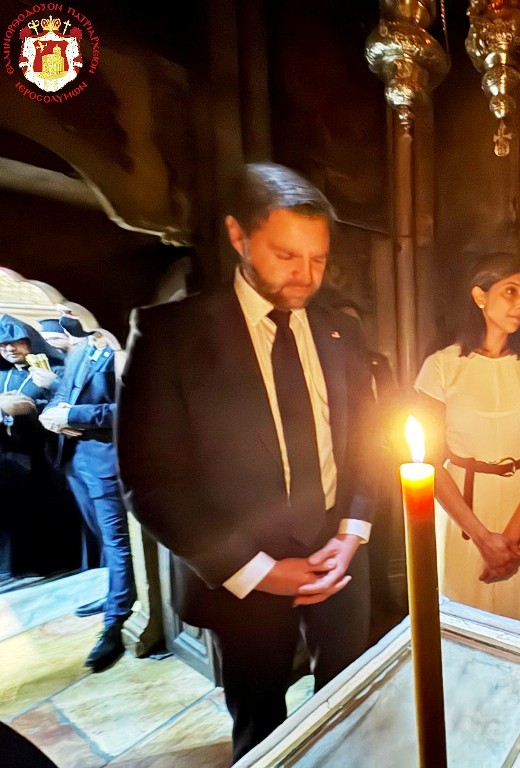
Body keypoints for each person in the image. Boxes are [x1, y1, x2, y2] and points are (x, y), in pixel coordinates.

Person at [116, 162, 377, 762]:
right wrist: (257, 570)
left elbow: (366, 441)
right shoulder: (169, 335)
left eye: (318, 258)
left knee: (350, 713)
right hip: (242, 575)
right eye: (287, 255)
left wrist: (353, 530)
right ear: (239, 236)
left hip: (340, 561)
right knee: (261, 729)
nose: (305, 276)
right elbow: (151, 481)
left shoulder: (341, 330)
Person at [413, 252, 520, 627]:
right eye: (510, 292)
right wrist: (482, 537)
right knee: (464, 628)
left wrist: (509, 541)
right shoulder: (442, 366)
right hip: (462, 509)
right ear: (479, 297)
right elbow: (428, 460)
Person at [40, 326, 136, 673]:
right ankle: (118, 591)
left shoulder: (122, 348)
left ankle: (117, 618)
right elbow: (63, 392)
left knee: (117, 540)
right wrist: (51, 415)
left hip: (107, 459)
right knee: (101, 535)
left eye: (69, 311)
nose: (66, 317)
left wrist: (72, 416)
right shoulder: (80, 350)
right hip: (75, 459)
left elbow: (132, 410)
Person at [1, 316, 75, 584]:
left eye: (16, 343)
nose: (10, 350)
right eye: (3, 345)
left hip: (43, 455)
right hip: (8, 455)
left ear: (30, 342)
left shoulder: (55, 369)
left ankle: (48, 565)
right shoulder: (1, 372)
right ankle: (12, 568)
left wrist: (34, 408)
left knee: (42, 511)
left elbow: (65, 406)